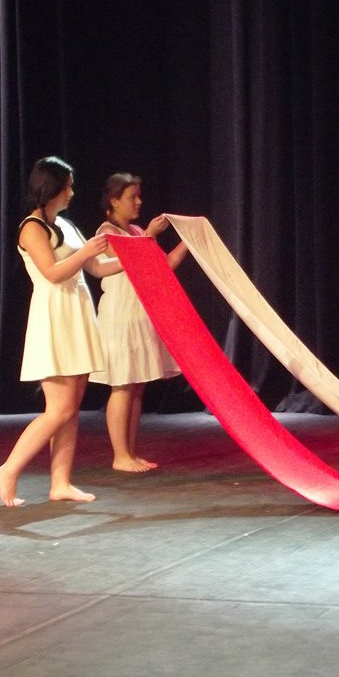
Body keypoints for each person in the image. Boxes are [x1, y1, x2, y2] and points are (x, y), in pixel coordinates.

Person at [0, 156, 122, 507]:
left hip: (76, 312)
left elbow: (96, 267)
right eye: (67, 186)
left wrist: (135, 258)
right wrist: (87, 252)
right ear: (51, 187)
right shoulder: (32, 227)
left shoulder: (65, 224)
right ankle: (8, 469)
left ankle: (61, 482)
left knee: (71, 408)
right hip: (54, 316)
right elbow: (51, 272)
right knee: (59, 409)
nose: (71, 193)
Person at [88, 173, 187, 472]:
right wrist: (150, 236)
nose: (139, 202)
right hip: (120, 317)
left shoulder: (135, 230)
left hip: (139, 314)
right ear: (114, 201)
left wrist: (188, 242)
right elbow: (131, 259)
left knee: (136, 387)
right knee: (122, 386)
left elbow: (161, 267)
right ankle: (120, 455)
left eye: (139, 196)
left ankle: (129, 452)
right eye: (132, 197)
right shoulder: (106, 232)